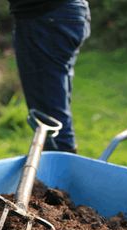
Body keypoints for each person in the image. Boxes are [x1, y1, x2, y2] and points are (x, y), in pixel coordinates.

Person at [7, 0, 91, 153]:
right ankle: (60, 167)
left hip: (47, 17)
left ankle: (59, 172)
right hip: (63, 14)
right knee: (54, 106)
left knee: (49, 118)